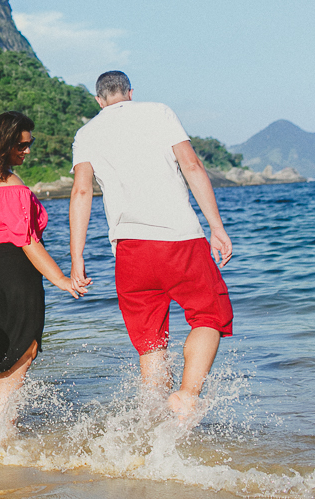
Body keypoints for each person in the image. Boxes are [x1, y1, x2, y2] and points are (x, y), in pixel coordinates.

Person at [69, 71, 233, 419]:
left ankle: (155, 426)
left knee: (150, 342)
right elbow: (191, 165)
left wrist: (77, 256)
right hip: (180, 239)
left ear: (99, 101)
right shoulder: (158, 111)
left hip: (130, 251)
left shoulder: (86, 134)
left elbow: (81, 192)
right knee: (208, 316)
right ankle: (187, 396)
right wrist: (216, 226)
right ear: (129, 92)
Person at [0, 111, 89, 437]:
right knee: (22, 350)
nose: (27, 151)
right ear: (3, 145)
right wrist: (62, 280)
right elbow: (28, 242)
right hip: (13, 273)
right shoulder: (14, 187)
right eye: (22, 145)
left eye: (29, 144)